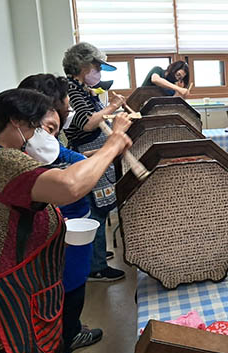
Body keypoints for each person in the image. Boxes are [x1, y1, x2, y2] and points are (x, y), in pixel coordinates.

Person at [0, 88, 131, 353]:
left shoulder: (10, 158)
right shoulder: (1, 160)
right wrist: (112, 144)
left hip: (21, 291)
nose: (46, 137)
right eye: (40, 127)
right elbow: (69, 187)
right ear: (16, 121)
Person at [18, 73, 101, 353]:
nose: (69, 106)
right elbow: (65, 183)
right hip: (56, 232)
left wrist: (91, 158)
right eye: (65, 102)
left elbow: (70, 156)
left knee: (74, 291)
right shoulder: (29, 150)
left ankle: (72, 333)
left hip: (75, 226)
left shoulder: (47, 141)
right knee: (59, 296)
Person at [63, 42, 127, 282]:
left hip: (96, 150)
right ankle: (96, 267)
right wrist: (112, 106)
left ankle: (96, 256)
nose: (98, 72)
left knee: (99, 207)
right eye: (96, 67)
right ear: (83, 65)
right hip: (86, 151)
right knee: (96, 211)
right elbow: (86, 123)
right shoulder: (71, 89)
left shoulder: (83, 89)